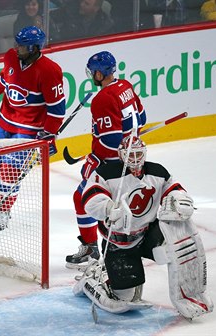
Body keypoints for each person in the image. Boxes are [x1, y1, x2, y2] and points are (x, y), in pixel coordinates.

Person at [73, 136, 213, 319]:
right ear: (121, 155)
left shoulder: (157, 172)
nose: (135, 159)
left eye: (138, 154)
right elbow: (90, 198)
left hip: (148, 233)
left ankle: (189, 295)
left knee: (177, 247)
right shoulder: (106, 173)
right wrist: (107, 207)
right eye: (130, 155)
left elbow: (173, 189)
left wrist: (178, 199)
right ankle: (93, 280)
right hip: (119, 242)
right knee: (127, 296)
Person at [0, 26, 65, 230]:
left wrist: (48, 136)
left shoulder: (50, 70)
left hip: (27, 130)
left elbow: (56, 110)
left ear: (33, 48)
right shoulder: (11, 57)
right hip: (4, 122)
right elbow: (4, 80)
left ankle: (4, 211)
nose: (16, 47)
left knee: (9, 172)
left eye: (21, 45)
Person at [65, 51, 146, 267]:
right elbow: (143, 118)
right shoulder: (126, 86)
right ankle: (116, 246)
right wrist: (131, 137)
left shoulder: (103, 98)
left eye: (93, 72)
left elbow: (111, 141)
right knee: (116, 204)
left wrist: (94, 158)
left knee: (85, 199)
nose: (92, 75)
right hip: (132, 159)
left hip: (111, 163)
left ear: (99, 74)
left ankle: (93, 248)